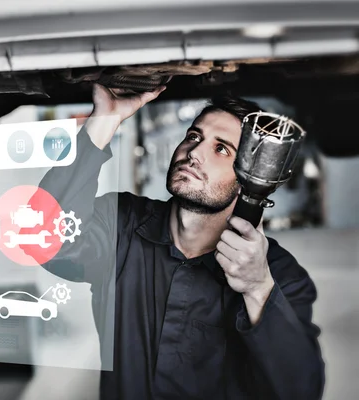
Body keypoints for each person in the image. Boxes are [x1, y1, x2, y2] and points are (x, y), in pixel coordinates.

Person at [32, 84, 325, 399]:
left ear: (249, 180)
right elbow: (41, 238)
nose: (194, 152)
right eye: (194, 137)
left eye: (221, 148)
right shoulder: (121, 225)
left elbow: (300, 391)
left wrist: (256, 290)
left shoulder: (277, 275)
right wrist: (104, 119)